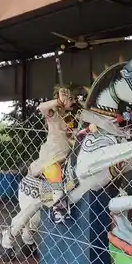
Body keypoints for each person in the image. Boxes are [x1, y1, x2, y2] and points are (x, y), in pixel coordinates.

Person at [28, 85, 81, 223]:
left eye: (74, 99)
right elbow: (41, 107)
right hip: (54, 151)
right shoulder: (52, 113)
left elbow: (72, 136)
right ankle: (58, 205)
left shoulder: (70, 117)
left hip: (69, 151)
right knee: (53, 166)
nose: (74, 101)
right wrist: (58, 102)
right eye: (71, 99)